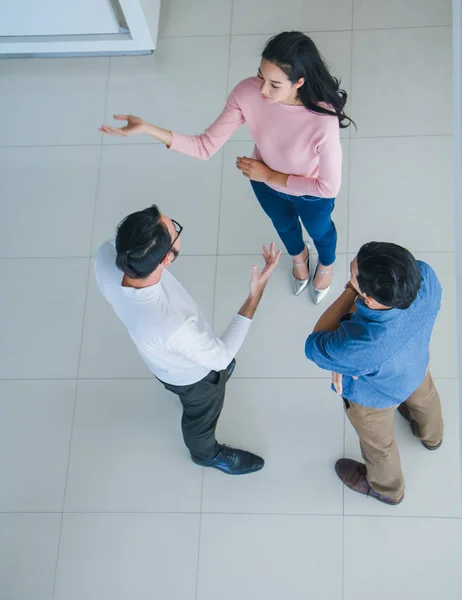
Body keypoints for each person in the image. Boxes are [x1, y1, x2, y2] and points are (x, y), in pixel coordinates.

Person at [99, 31, 353, 304]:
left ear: (299, 82)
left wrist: (269, 174)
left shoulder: (322, 120)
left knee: (321, 232)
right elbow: (204, 146)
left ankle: (325, 265)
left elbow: (328, 187)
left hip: (310, 193)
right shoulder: (247, 93)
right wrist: (148, 129)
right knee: (284, 226)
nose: (263, 90)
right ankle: (299, 257)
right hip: (265, 185)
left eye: (275, 84)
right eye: (260, 76)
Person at [95, 204, 280, 475]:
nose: (175, 227)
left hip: (163, 360)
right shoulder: (172, 324)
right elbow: (220, 356)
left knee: (199, 373)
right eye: (175, 230)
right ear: (166, 259)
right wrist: (255, 294)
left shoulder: (106, 255)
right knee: (200, 415)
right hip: (194, 377)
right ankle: (205, 454)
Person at [305, 242, 443, 505]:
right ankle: (432, 437)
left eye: (353, 276)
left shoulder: (362, 345)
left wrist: (349, 292)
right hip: (416, 367)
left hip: (376, 398)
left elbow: (315, 344)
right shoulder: (425, 276)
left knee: (379, 447)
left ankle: (387, 489)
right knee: (426, 401)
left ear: (367, 298)